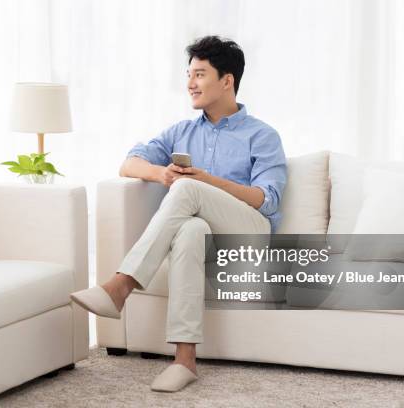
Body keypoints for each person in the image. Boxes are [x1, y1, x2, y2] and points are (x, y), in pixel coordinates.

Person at [71, 35, 287, 392]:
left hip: (250, 233)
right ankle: (184, 359)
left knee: (188, 189)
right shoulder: (181, 132)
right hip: (205, 235)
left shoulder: (261, 136)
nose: (190, 84)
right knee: (189, 232)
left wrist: (204, 182)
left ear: (227, 80)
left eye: (200, 74)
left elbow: (267, 200)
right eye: (189, 75)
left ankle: (121, 284)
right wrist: (162, 173)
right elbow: (128, 163)